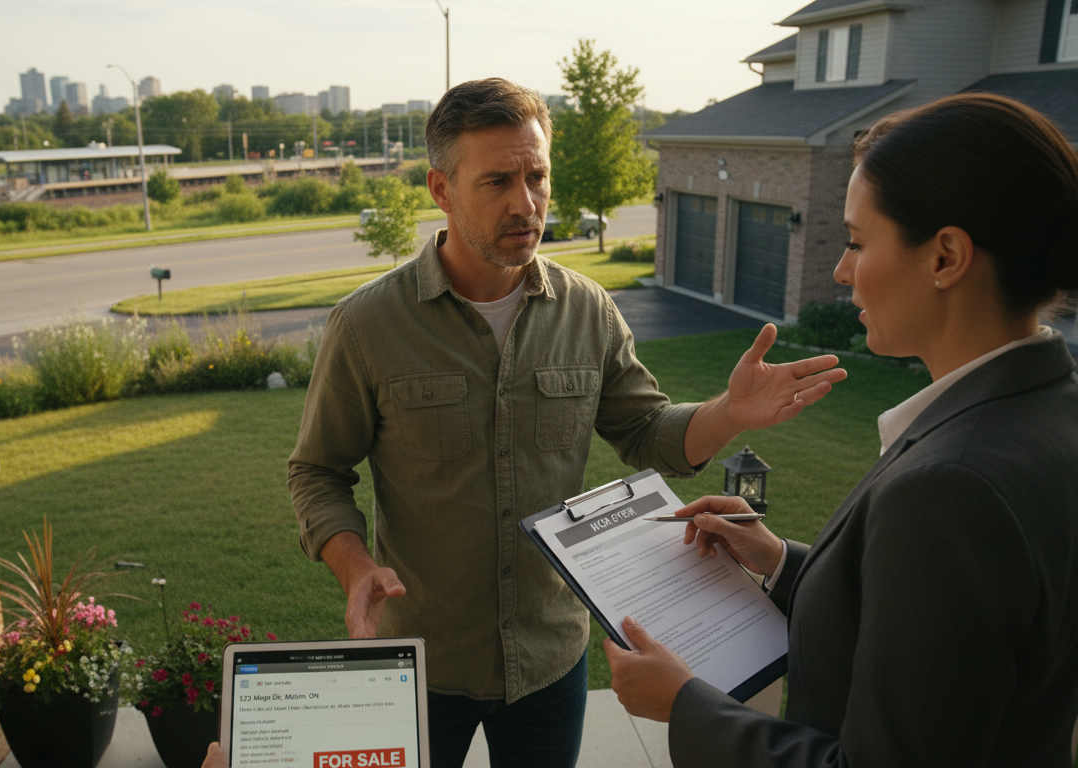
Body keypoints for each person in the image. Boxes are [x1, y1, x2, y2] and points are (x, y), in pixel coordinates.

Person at [286, 78, 847, 768]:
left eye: (538, 176)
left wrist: (727, 413)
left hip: (551, 661)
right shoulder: (368, 324)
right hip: (424, 662)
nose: (526, 203)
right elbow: (317, 470)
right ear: (440, 188)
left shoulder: (588, 310)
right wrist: (355, 567)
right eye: (497, 181)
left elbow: (645, 432)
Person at [604, 92, 1078, 767]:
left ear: (946, 257)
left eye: (858, 242)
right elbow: (950, 637)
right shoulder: (1074, 413)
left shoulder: (952, 487)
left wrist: (685, 702)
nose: (840, 271)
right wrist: (781, 562)